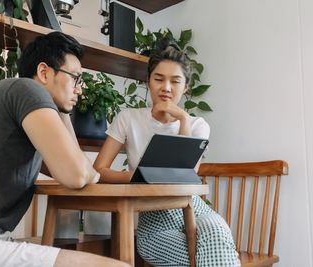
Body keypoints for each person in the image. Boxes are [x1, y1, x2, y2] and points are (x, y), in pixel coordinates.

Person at [0, 32, 129, 267]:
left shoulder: (25, 112)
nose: (79, 90)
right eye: (76, 78)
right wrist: (88, 171)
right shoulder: (26, 90)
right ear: (44, 72)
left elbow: (72, 166)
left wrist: (64, 111)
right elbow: (78, 174)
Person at [93, 39, 241, 266]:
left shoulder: (198, 124)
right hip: (153, 217)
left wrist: (182, 118)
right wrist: (136, 177)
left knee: (217, 234)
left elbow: (186, 176)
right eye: (159, 79)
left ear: (186, 87)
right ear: (148, 81)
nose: (166, 88)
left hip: (192, 206)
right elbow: (99, 170)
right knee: (210, 257)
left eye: (175, 81)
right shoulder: (128, 118)